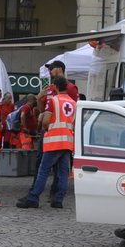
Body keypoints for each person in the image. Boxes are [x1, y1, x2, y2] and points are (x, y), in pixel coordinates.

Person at [17, 75, 75, 209]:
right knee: (63, 173)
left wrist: (45, 128)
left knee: (43, 170)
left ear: (55, 86)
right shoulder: (73, 103)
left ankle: (33, 198)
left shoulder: (53, 101)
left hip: (53, 142)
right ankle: (58, 200)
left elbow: (46, 121)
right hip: (67, 142)